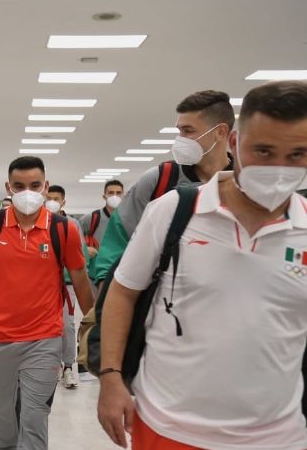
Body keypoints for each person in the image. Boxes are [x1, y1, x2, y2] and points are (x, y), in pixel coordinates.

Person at [97, 81, 307, 449]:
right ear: (234, 142)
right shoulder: (173, 211)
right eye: (263, 150)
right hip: (169, 427)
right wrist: (110, 377)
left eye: (297, 154)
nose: (279, 168)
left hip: (280, 435)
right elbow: (122, 292)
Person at [0, 156, 93, 450]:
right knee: (3, 418)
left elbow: (81, 280)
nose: (27, 192)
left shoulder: (63, 229)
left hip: (44, 341)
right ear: (8, 187)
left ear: (45, 187)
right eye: (19, 186)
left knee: (35, 419)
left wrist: (92, 326)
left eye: (35, 185)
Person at [91, 90, 234, 287]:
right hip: (164, 304)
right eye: (179, 131)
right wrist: (105, 287)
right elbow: (118, 239)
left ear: (220, 132)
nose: (181, 139)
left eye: (188, 131)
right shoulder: (160, 180)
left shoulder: (244, 184)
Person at [46, 185, 90, 389]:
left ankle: (69, 367)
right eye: (49, 198)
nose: (52, 201)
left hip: (67, 283)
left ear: (63, 201)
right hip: (43, 284)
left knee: (67, 324)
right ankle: (51, 365)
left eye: (56, 198)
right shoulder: (38, 222)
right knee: (46, 326)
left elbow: (81, 257)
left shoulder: (72, 224)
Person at [79, 180, 124, 295]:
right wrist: (84, 249)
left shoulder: (129, 218)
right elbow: (73, 238)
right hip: (96, 276)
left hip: (122, 274)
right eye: (111, 192)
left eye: (118, 193)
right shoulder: (92, 218)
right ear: (104, 196)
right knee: (97, 310)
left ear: (123, 195)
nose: (115, 196)